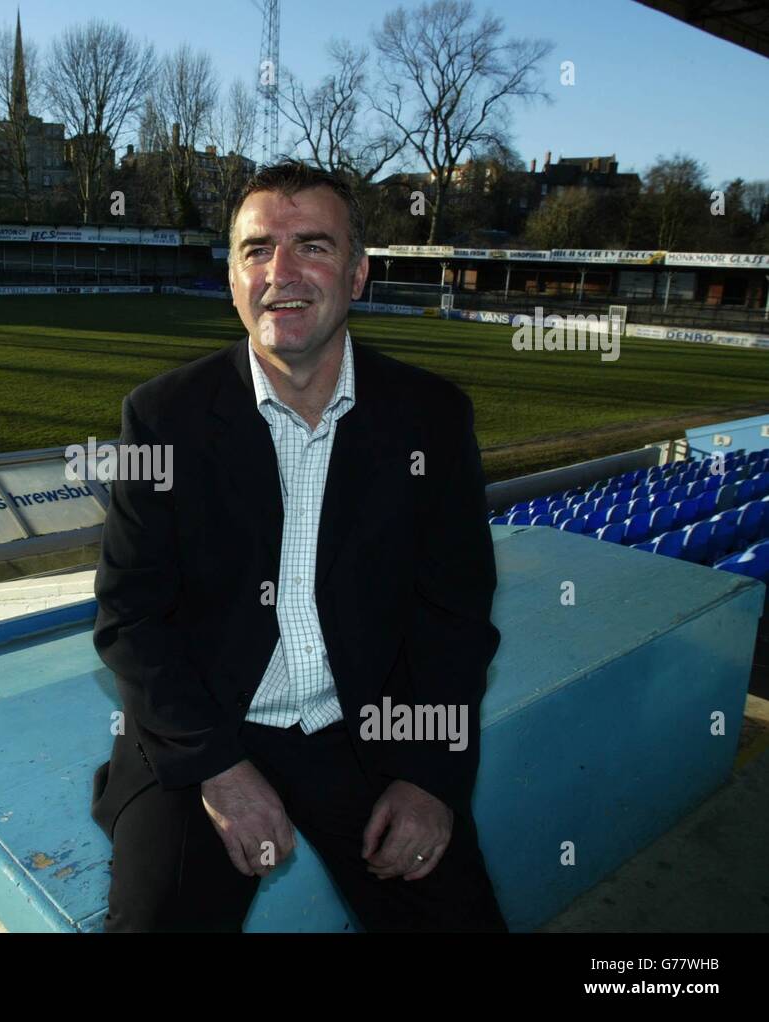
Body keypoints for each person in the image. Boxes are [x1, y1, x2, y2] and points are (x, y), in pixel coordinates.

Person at [88, 159, 506, 933]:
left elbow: (454, 617)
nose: (281, 272)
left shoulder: (431, 418)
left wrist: (429, 778)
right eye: (256, 250)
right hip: (206, 731)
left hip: (367, 730)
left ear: (357, 275)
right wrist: (217, 767)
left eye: (312, 245)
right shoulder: (161, 417)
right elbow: (130, 617)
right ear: (232, 278)